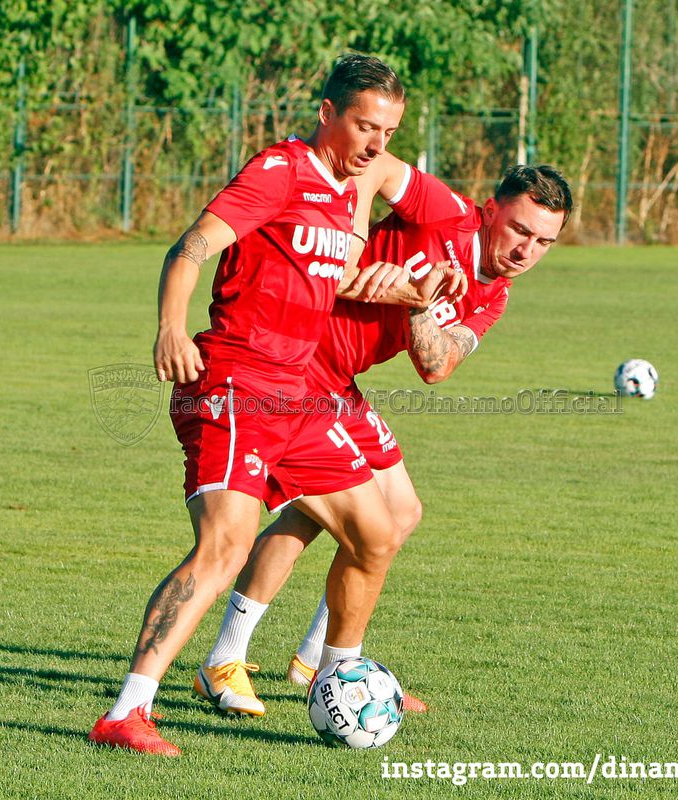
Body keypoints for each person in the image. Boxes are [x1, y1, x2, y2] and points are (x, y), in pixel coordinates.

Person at [87, 54, 465, 756]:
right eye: (364, 126)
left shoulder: (340, 195)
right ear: (327, 114)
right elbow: (192, 245)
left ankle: (336, 676)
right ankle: (127, 712)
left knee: (378, 534)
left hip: (300, 397)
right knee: (225, 545)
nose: (376, 145)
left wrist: (411, 293)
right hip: (237, 382)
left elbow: (334, 276)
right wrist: (170, 326)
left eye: (388, 132)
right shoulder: (281, 169)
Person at [194, 163, 573, 717]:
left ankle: (317, 662)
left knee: (399, 512)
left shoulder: (494, 296)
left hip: (337, 382)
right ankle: (229, 659)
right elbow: (369, 167)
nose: (525, 251)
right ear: (492, 210)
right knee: (315, 516)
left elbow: (437, 365)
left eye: (543, 242)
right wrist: (351, 246)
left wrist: (418, 305)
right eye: (519, 229)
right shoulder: (442, 210)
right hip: (293, 364)